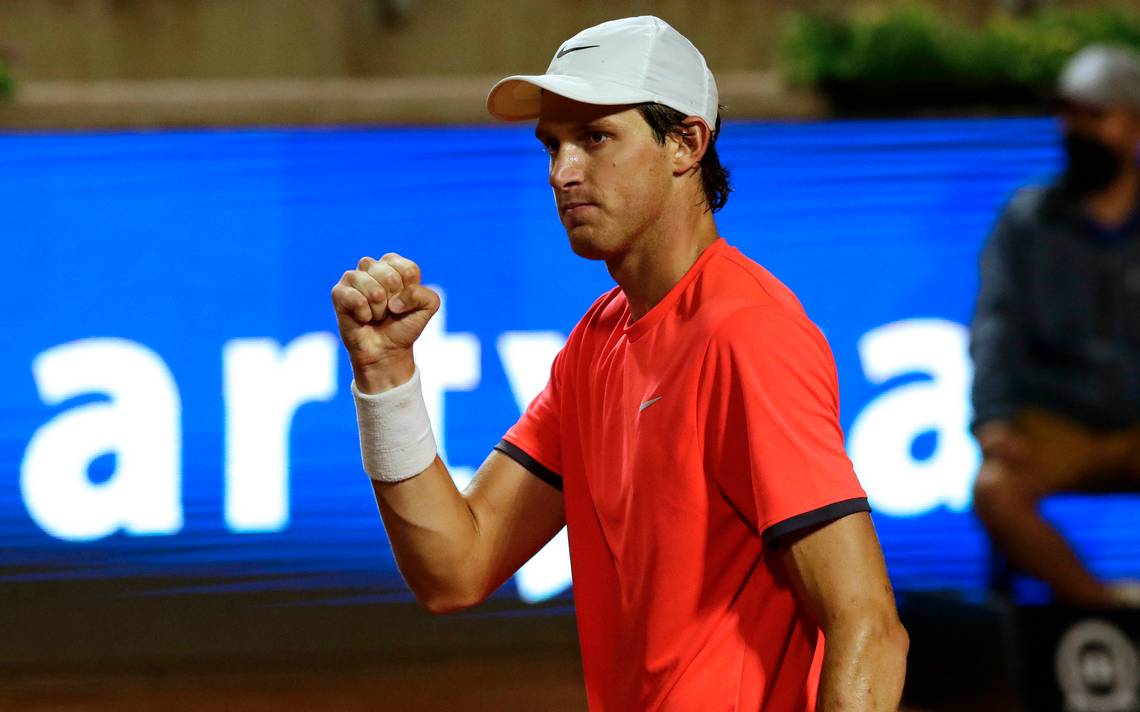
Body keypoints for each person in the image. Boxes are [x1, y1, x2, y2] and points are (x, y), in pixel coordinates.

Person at [331, 16, 907, 711]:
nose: (562, 173)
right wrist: (385, 376)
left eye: (596, 138)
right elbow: (455, 567)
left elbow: (868, 625)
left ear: (686, 145)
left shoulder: (747, 334)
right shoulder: (597, 342)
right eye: (552, 145)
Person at [971, 44, 1140, 608]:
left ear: (1133, 124)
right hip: (1057, 422)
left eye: (1096, 116)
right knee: (995, 490)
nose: (1074, 130)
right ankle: (1105, 611)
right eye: (1069, 115)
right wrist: (993, 416)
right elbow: (995, 324)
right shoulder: (1027, 219)